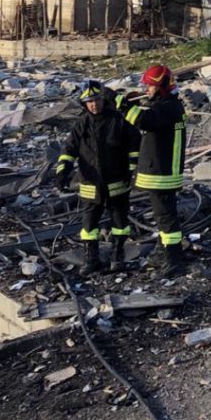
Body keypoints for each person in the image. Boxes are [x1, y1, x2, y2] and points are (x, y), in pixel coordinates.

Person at [55, 80, 141, 276]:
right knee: (89, 225)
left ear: (103, 100)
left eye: (97, 100)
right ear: (84, 104)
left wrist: (131, 170)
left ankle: (117, 256)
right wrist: (62, 173)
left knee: (120, 222)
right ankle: (91, 258)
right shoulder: (81, 123)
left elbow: (136, 145)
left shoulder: (118, 120)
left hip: (116, 181)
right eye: (90, 101)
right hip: (90, 183)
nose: (95, 104)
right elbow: (69, 150)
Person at [122, 65, 188, 278]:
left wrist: (120, 104)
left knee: (166, 218)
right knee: (163, 218)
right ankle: (162, 254)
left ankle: (173, 261)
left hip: (163, 173)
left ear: (161, 87)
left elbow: (144, 121)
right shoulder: (170, 106)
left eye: (150, 87)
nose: (147, 90)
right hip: (164, 171)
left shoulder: (168, 109)